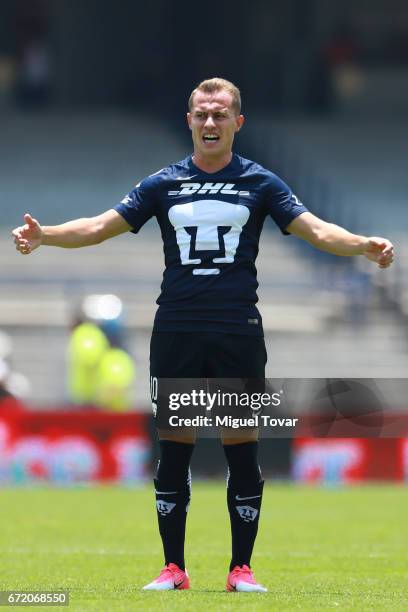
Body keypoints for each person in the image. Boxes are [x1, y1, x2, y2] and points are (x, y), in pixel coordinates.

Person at [12, 77, 394, 593]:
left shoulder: (262, 183)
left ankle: (241, 569)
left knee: (242, 446)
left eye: (220, 115)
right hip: (177, 330)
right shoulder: (162, 184)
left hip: (238, 331)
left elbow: (318, 230)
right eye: (201, 114)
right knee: (174, 448)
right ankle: (174, 568)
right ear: (189, 120)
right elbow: (101, 225)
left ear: (238, 123)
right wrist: (46, 236)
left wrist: (362, 245)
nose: (209, 123)